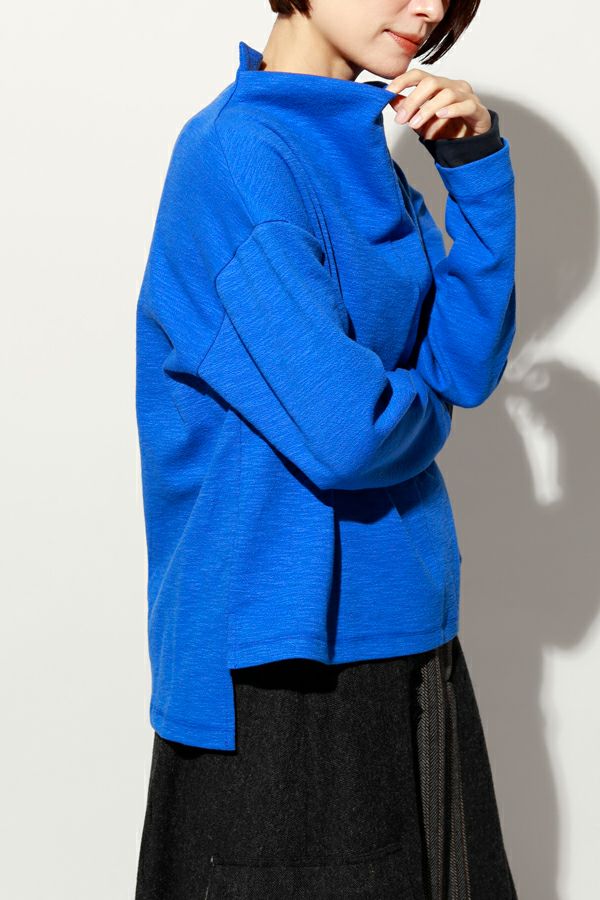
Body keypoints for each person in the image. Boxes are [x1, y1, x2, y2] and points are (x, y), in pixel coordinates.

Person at [134, 1, 519, 897]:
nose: (429, 7)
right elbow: (351, 434)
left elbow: (464, 364)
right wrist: (422, 410)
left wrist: (476, 167)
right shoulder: (235, 156)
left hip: (408, 628)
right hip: (282, 657)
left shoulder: (361, 149)